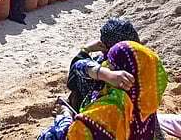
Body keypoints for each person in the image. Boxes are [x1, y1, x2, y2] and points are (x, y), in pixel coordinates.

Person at [38, 41, 168, 140]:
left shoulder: (107, 110)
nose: (105, 64)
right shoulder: (146, 105)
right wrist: (107, 74)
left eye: (110, 64)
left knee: (48, 135)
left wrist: (65, 114)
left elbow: (69, 135)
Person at [66, 17, 141, 112]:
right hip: (143, 122)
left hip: (104, 119)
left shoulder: (108, 70)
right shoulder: (145, 62)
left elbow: (73, 78)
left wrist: (85, 51)